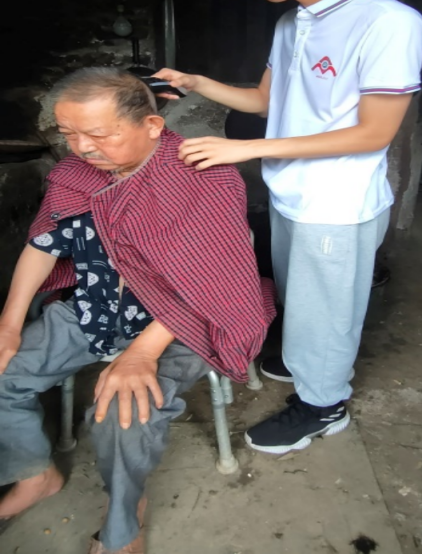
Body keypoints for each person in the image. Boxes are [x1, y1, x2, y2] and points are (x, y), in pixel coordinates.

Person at [154, 0, 422, 456]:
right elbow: (264, 100)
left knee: (328, 309)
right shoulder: (292, 22)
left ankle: (324, 405)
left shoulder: (388, 22)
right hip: (291, 192)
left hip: (336, 202)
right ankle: (306, 358)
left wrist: (246, 150)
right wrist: (198, 82)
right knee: (302, 297)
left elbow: (373, 133)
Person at [0, 67, 275, 553]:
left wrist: (143, 353)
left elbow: (212, 277)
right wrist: (9, 323)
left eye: (99, 134)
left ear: (151, 125)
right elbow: (43, 244)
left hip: (184, 320)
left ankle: (124, 518)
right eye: (68, 134)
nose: (82, 148)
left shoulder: (205, 175)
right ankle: (34, 475)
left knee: (121, 415)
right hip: (96, 305)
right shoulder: (74, 175)